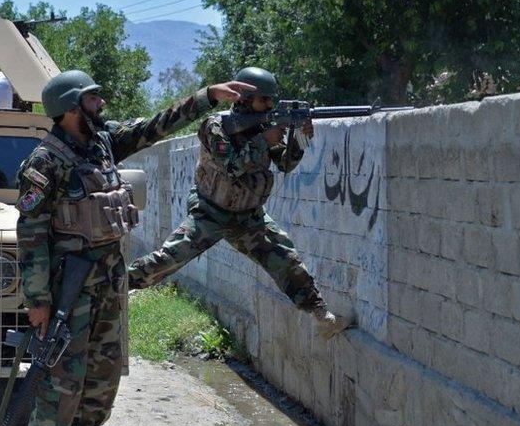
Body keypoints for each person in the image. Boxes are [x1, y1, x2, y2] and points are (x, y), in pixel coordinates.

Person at [15, 69, 253, 426]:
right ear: (69, 109)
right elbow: (30, 237)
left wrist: (207, 97)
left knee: (105, 371)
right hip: (69, 286)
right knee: (64, 376)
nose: (100, 105)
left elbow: (154, 126)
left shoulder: (102, 143)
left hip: (107, 279)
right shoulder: (44, 163)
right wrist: (38, 301)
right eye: (91, 100)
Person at [127, 66, 356, 339]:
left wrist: (299, 139)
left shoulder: (263, 127)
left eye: (271, 100)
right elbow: (232, 166)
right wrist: (263, 140)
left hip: (248, 216)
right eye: (264, 100)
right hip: (210, 212)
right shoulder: (216, 126)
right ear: (244, 99)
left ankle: (321, 315)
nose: (269, 105)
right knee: (169, 258)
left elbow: (285, 164)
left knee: (286, 258)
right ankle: (116, 284)